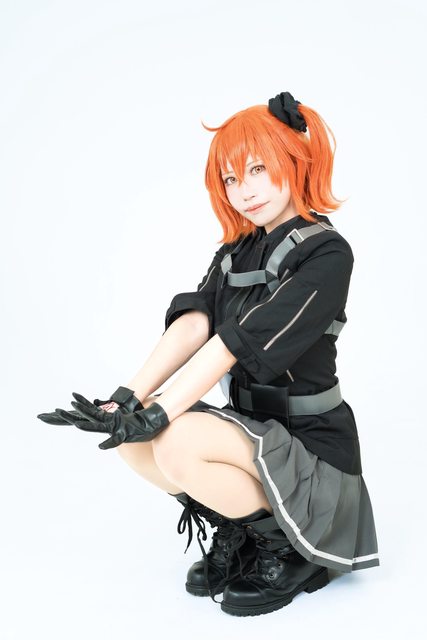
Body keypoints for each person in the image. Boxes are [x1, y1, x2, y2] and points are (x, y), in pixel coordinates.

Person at [37, 91, 380, 617]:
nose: (245, 191)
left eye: (258, 169)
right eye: (232, 178)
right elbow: (197, 323)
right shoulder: (237, 250)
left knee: (174, 439)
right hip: (254, 430)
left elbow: (232, 344)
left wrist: (160, 413)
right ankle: (240, 534)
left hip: (313, 447)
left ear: (294, 159)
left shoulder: (327, 253)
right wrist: (128, 399)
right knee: (133, 439)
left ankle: (289, 550)